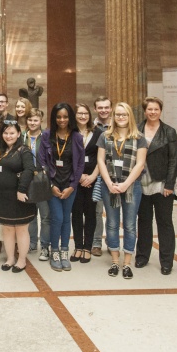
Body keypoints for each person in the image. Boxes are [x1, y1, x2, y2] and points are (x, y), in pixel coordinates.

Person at [97, 102, 147, 280]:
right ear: (113, 116)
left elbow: (140, 164)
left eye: (124, 114)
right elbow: (101, 161)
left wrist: (125, 184)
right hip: (108, 185)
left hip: (132, 187)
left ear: (129, 116)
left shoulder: (139, 137)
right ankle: (114, 261)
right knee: (111, 223)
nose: (120, 117)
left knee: (130, 224)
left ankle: (127, 264)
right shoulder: (105, 136)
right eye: (117, 114)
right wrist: (109, 182)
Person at [135, 97, 177, 275]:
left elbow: (174, 160)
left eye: (156, 109)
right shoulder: (136, 129)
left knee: (164, 222)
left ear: (161, 111)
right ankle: (142, 256)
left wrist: (169, 183)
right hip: (141, 183)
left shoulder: (169, 131)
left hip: (162, 184)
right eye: (149, 109)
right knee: (144, 221)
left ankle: (167, 261)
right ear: (144, 111)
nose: (152, 112)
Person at [39, 103, 84, 272]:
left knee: (66, 218)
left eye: (65, 116)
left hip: (70, 185)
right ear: (54, 118)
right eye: (59, 117)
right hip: (52, 185)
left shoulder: (77, 137)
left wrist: (72, 186)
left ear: (70, 117)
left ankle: (65, 251)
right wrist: (50, 185)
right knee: (56, 217)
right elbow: (42, 161)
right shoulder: (47, 135)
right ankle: (54, 252)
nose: (62, 120)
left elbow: (80, 165)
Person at [0, 120, 36, 273]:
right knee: (7, 229)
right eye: (5, 133)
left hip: (19, 197)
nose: (8, 136)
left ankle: (21, 260)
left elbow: (29, 170)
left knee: (21, 229)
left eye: (12, 133)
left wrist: (21, 190)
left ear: (18, 134)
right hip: (2, 197)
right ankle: (10, 258)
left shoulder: (24, 150)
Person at [70, 103, 101, 264]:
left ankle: (88, 247)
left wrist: (92, 176)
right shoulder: (70, 132)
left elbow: (101, 158)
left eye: (85, 113)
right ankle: (78, 246)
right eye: (79, 113)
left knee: (90, 213)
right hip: (75, 180)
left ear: (89, 115)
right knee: (75, 213)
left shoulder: (98, 133)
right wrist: (79, 176)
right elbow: (67, 157)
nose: (82, 116)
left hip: (92, 180)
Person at [24, 108, 50, 260]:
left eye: (35, 120)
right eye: (30, 120)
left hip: (42, 179)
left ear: (41, 121)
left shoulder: (46, 137)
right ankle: (32, 242)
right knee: (31, 214)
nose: (32, 123)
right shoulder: (22, 137)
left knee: (45, 215)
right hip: (27, 179)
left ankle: (45, 246)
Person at [91, 95, 112, 257]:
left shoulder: (119, 126)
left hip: (115, 175)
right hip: (96, 175)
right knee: (97, 211)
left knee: (113, 211)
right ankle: (96, 242)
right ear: (95, 109)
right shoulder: (91, 128)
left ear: (111, 109)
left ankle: (112, 242)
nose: (103, 110)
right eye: (100, 107)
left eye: (106, 107)